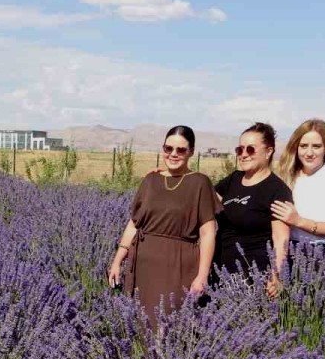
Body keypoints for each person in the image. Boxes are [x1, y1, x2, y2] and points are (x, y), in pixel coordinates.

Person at [107, 125, 221, 322]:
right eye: (168, 149)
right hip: (143, 264)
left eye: (181, 150)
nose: (173, 154)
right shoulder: (151, 180)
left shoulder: (200, 183)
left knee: (168, 325)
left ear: (191, 152)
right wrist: (118, 261)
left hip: (178, 265)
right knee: (139, 324)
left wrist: (202, 275)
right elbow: (134, 224)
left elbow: (208, 233)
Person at [210, 122, 293, 297]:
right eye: (240, 150)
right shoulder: (233, 180)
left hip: (253, 278)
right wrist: (170, 175)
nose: (243, 155)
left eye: (250, 149)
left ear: (269, 151)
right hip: (221, 272)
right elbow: (204, 200)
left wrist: (277, 276)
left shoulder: (277, 190)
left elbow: (281, 238)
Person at [271, 118, 325, 249]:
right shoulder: (286, 175)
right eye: (303, 146)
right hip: (284, 248)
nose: (309, 153)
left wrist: (299, 221)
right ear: (296, 148)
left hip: (318, 252)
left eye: (316, 146)